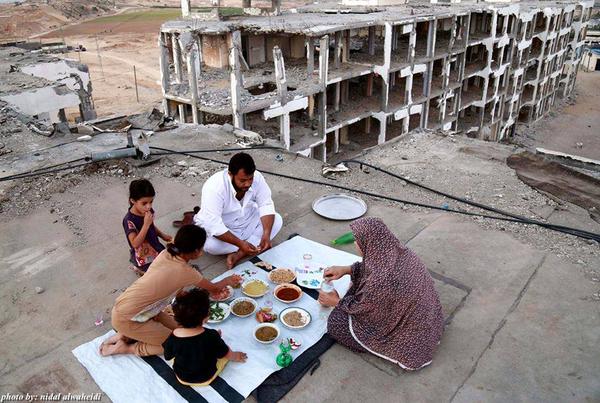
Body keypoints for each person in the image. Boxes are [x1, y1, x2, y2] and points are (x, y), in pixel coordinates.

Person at [318, 217, 444, 371]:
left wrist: (336, 302)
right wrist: (346, 269)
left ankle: (375, 347)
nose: (354, 243)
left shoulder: (381, 280)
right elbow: (373, 267)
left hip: (412, 338)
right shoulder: (401, 252)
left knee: (336, 324)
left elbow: (366, 311)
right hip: (429, 320)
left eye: (357, 240)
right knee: (356, 289)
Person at [100, 225, 241, 357]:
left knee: (181, 328)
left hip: (132, 309)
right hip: (129, 318)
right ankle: (127, 347)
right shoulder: (186, 272)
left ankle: (125, 335)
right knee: (178, 344)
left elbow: (175, 285)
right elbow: (214, 288)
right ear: (197, 252)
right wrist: (228, 280)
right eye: (201, 247)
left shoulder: (166, 252)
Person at [194, 152, 282, 269]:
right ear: (230, 174)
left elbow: (265, 204)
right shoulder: (214, 187)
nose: (248, 184)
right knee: (210, 246)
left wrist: (266, 234)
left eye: (250, 179)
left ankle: (240, 253)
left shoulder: (257, 178)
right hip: (227, 228)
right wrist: (240, 243)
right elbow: (214, 225)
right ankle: (247, 246)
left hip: (248, 219)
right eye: (243, 180)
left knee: (277, 221)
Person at [163, 287, 247, 386]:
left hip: (182, 377)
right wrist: (235, 356)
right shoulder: (211, 335)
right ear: (205, 318)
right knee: (224, 353)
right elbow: (224, 353)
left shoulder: (173, 336)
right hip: (206, 377)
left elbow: (168, 356)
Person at [123, 179, 172, 276]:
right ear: (133, 201)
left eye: (151, 202)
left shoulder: (148, 211)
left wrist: (162, 235)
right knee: (155, 275)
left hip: (155, 246)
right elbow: (134, 243)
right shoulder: (129, 220)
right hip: (143, 254)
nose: (149, 206)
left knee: (167, 265)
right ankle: (139, 268)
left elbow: (151, 226)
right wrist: (145, 225)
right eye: (144, 203)